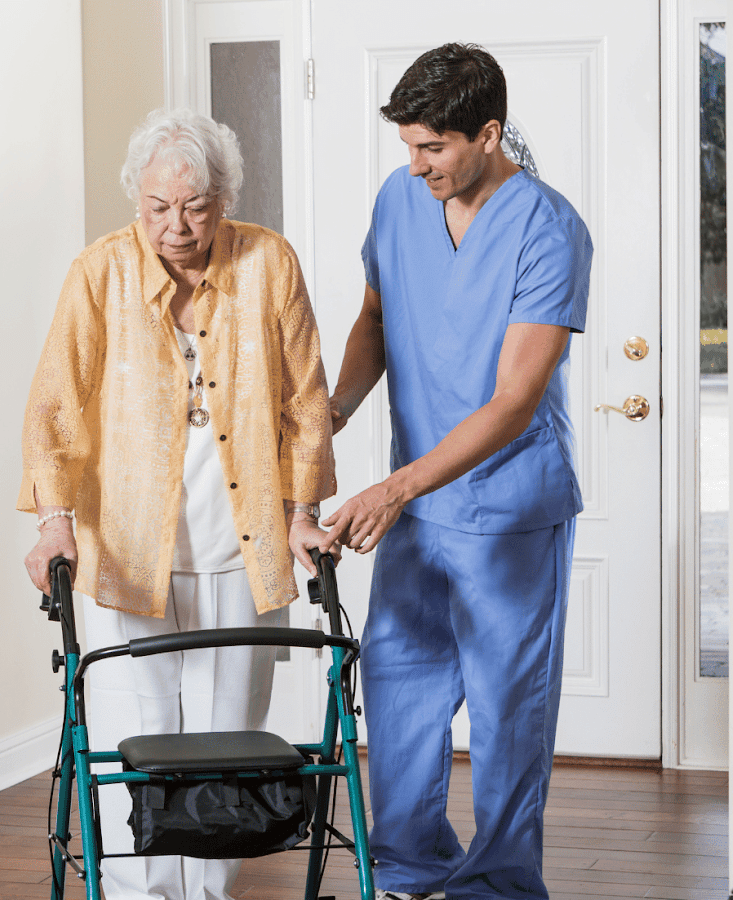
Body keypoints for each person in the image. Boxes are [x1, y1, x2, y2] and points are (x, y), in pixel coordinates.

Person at [19, 108, 338, 900]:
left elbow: (305, 400)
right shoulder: (99, 273)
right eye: (158, 207)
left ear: (222, 199)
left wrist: (302, 513)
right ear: (137, 200)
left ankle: (208, 892)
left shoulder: (269, 263)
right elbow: (54, 409)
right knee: (142, 731)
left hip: (244, 542)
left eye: (195, 207)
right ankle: (143, 894)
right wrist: (54, 524)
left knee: (230, 739)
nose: (176, 225)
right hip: (128, 548)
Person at [320, 44, 592, 900]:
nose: (417, 165)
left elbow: (515, 398)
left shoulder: (548, 228)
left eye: (433, 147)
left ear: (488, 132)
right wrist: (331, 416)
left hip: (509, 507)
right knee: (398, 691)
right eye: (408, 147)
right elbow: (374, 315)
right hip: (418, 505)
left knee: (508, 710)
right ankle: (406, 868)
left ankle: (500, 884)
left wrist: (394, 487)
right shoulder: (401, 201)